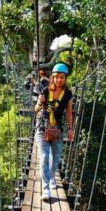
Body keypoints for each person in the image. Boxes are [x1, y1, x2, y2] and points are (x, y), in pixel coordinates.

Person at [34, 63, 74, 201]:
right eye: (57, 77)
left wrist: (71, 129)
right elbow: (35, 110)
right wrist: (39, 103)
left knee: (55, 159)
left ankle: (51, 178)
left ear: (65, 78)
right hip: (42, 128)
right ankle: (45, 189)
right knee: (44, 157)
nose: (59, 80)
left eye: (62, 77)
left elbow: (69, 112)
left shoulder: (68, 94)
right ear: (53, 77)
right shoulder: (45, 91)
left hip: (58, 129)